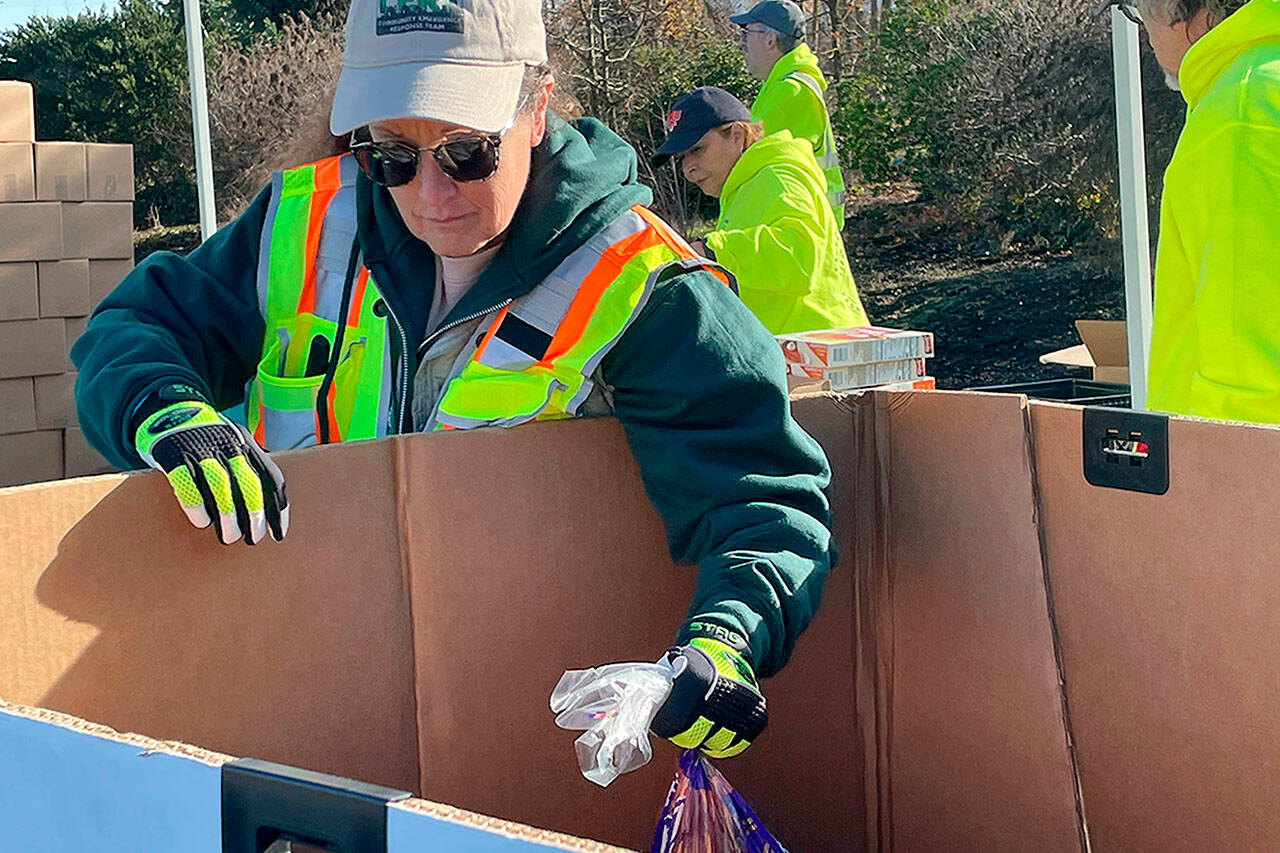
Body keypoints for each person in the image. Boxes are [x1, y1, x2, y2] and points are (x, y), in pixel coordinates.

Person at [72, 0, 836, 762]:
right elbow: (137, 328)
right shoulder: (304, 221)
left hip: (519, 739)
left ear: (536, 109)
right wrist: (168, 412)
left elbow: (760, 495)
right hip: (304, 700)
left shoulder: (643, 288)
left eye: (468, 152)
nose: (431, 196)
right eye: (392, 157)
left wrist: (725, 637)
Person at [1102, 0, 1280, 421]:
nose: (1144, 32)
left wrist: (1208, 477)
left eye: (1136, 11)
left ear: (1171, 8)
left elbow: (1249, 373)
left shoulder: (1241, 110)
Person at [653, 86, 867, 335]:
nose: (687, 168)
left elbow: (800, 256)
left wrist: (711, 251)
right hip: (800, 357)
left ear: (736, 134)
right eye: (681, 158)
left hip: (827, 355)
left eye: (697, 149)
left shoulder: (778, 175)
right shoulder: (745, 188)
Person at [731, 0, 846, 228]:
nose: (742, 42)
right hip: (806, 221)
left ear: (770, 40)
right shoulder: (781, 85)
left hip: (804, 225)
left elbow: (748, 160)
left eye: (747, 32)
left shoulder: (790, 91)